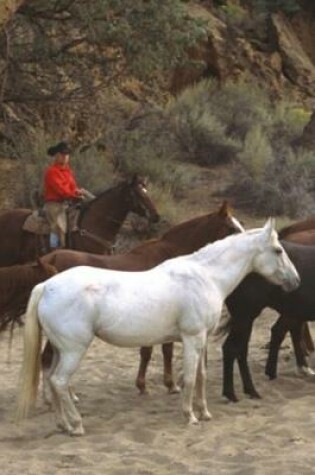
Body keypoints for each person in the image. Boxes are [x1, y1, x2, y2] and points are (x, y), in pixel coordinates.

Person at [43, 141, 90, 249]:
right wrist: (75, 195)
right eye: (62, 154)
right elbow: (61, 190)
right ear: (56, 155)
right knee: (59, 227)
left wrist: (78, 192)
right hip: (54, 205)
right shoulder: (52, 171)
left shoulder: (68, 172)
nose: (65, 157)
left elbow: (73, 187)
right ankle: (54, 250)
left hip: (67, 204)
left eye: (67, 154)